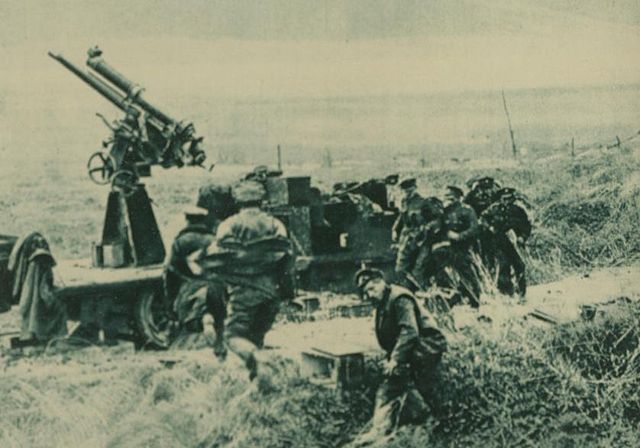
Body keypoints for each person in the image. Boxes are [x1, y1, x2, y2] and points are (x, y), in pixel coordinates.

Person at [197, 180, 295, 379]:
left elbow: (217, 262)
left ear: (237, 201)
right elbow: (286, 260)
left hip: (243, 295)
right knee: (255, 339)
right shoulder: (276, 224)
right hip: (270, 294)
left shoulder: (228, 226)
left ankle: (260, 361)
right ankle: (259, 382)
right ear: (262, 200)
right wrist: (286, 293)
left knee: (233, 336)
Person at [353, 268, 447, 444]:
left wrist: (395, 359)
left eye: (372, 289)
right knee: (392, 381)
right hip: (411, 348)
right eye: (366, 292)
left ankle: (427, 420)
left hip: (427, 346)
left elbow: (409, 331)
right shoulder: (384, 301)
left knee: (401, 379)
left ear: (381, 283)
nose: (369, 295)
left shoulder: (399, 298)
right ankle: (381, 427)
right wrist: (391, 357)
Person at [164, 206, 226, 348]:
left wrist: (170, 301)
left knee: (191, 318)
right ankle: (217, 345)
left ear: (187, 220)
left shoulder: (180, 242)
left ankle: (204, 320)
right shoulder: (214, 240)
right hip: (215, 288)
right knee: (218, 319)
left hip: (191, 288)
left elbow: (170, 271)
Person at [479, 187, 532, 297]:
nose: (507, 201)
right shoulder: (494, 209)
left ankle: (521, 292)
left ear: (513, 199)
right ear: (501, 199)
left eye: (509, 199)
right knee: (503, 265)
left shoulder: (518, 211)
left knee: (519, 265)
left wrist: (522, 237)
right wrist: (490, 227)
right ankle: (505, 293)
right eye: (504, 199)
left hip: (513, 242)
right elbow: (482, 218)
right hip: (496, 242)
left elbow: (526, 226)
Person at [441, 186, 481, 306]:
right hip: (447, 247)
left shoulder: (467, 210)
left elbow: (474, 229)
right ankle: (451, 300)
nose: (448, 199)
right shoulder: (444, 211)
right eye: (446, 196)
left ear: (458, 197)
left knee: (467, 274)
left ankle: (474, 301)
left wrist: (459, 236)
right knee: (444, 275)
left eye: (451, 197)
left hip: (463, 248)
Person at [392, 178, 426, 284]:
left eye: (410, 191)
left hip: (419, 238)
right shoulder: (404, 201)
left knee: (418, 269)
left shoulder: (423, 202)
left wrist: (421, 233)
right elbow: (402, 216)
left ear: (415, 188)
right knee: (400, 269)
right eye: (405, 191)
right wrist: (395, 229)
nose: (407, 193)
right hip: (406, 239)